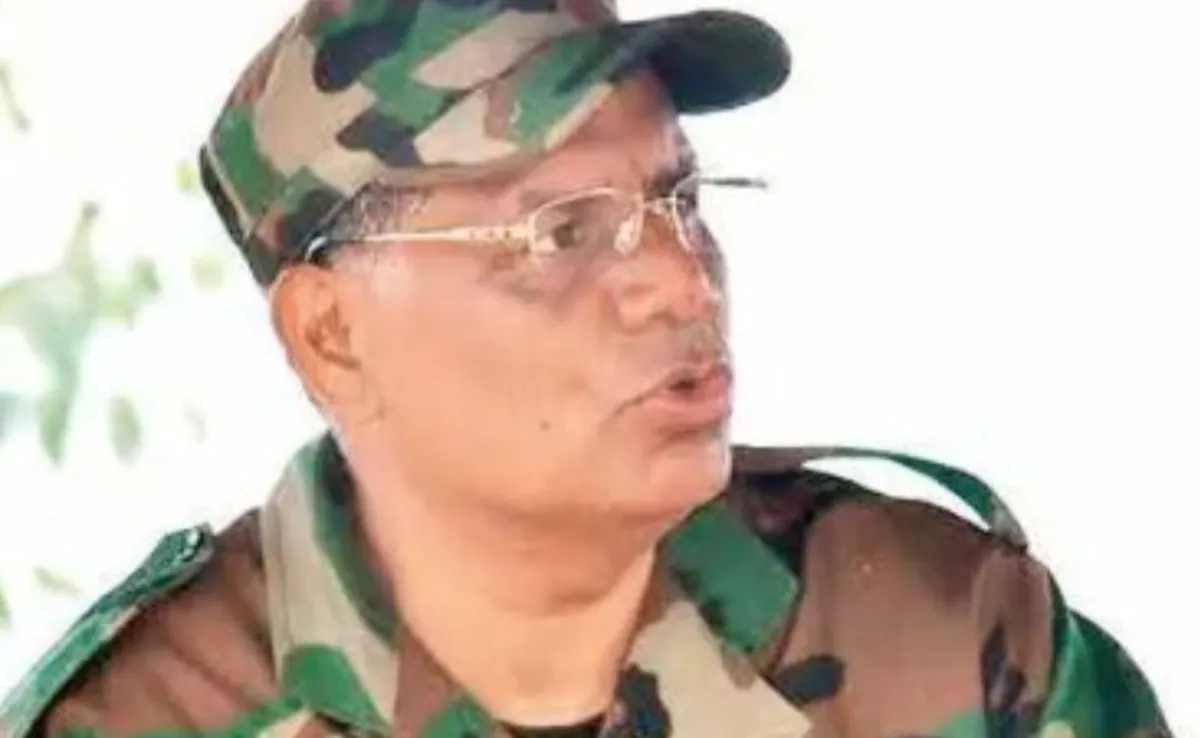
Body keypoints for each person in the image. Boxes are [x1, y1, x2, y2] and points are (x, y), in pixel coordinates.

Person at [0, 0, 1175, 736]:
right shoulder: (144, 719)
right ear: (332, 336)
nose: (680, 277)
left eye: (679, 197)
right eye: (559, 232)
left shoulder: (940, 629)